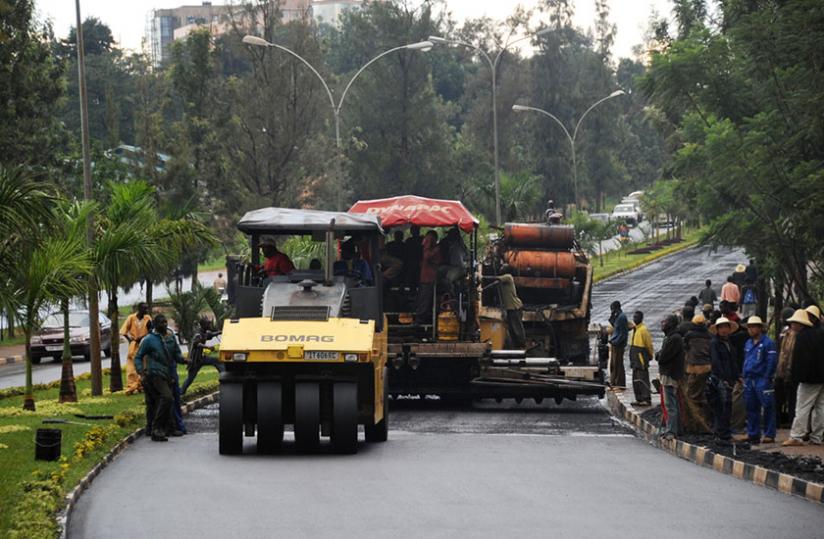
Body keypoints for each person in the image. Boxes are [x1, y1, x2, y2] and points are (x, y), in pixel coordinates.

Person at [135, 314, 186, 442]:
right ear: (155, 325)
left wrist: (187, 361)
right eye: (161, 323)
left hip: (168, 374)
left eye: (165, 322)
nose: (164, 324)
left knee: (164, 401)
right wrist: (141, 373)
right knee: (167, 397)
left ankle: (165, 428)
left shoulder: (171, 338)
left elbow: (177, 356)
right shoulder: (149, 340)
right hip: (154, 375)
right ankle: (156, 429)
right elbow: (138, 357)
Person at [783, 309, 824, 446]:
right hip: (821, 377)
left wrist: (795, 377)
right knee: (821, 407)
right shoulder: (821, 334)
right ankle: (817, 437)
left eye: (794, 322)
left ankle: (796, 436)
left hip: (809, 378)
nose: (792, 325)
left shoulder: (802, 337)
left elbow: (799, 361)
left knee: (802, 406)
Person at [734, 316, 777, 444]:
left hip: (762, 378)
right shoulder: (748, 343)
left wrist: (767, 377)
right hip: (749, 379)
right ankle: (753, 433)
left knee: (768, 406)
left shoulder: (768, 343)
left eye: (754, 327)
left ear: (760, 328)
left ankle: (769, 434)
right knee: (751, 407)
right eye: (749, 327)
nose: (751, 329)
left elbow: (771, 362)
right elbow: (746, 360)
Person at [707, 317, 739, 440]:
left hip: (729, 379)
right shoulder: (715, 343)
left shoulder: (729, 343)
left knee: (726, 406)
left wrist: (736, 376)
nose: (724, 330)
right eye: (721, 328)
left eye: (726, 327)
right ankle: (722, 433)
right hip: (719, 379)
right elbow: (716, 362)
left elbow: (732, 362)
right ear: (717, 330)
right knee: (722, 406)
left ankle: (724, 432)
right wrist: (723, 378)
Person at [683, 314, 712, 433]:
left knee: (691, 395)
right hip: (707, 368)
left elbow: (685, 347)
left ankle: (696, 422)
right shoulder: (709, 336)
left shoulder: (689, 336)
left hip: (694, 368)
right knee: (702, 394)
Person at [657, 314, 685, 440]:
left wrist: (659, 355)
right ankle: (673, 428)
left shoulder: (674, 338)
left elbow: (662, 358)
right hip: (668, 373)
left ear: (671, 324)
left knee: (671, 404)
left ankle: (671, 431)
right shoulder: (670, 337)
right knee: (671, 403)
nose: (662, 324)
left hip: (670, 374)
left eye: (665, 322)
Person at [181, 317, 224, 395]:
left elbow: (212, 334)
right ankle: (181, 392)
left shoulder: (205, 333)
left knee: (217, 361)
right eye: (208, 324)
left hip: (201, 359)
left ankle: (224, 378)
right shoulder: (198, 334)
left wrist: (221, 332)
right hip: (194, 361)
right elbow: (197, 344)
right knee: (190, 379)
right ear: (204, 325)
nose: (209, 325)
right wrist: (208, 347)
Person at [120, 302, 152, 395]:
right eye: (144, 309)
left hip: (144, 344)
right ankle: (131, 386)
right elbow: (123, 331)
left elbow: (150, 330)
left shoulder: (148, 318)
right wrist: (131, 340)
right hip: (134, 345)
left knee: (144, 364)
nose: (146, 310)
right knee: (132, 367)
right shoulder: (131, 318)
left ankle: (141, 385)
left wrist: (143, 338)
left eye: (147, 308)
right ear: (139, 309)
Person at [775, 307, 798, 427]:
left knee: (792, 397)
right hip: (782, 370)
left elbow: (789, 354)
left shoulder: (794, 334)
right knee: (781, 395)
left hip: (789, 370)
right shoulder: (785, 332)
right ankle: (780, 418)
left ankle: (791, 419)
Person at [494, 269, 525, 349]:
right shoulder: (504, 281)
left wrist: (482, 277)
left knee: (517, 328)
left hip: (515, 307)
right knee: (512, 329)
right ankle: (516, 346)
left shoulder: (508, 277)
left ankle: (521, 345)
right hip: (510, 308)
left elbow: (498, 279)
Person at [415, 230, 441, 325]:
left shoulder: (435, 250)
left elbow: (426, 256)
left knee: (425, 300)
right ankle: (419, 319)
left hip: (429, 278)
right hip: (424, 277)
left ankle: (420, 320)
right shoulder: (430, 249)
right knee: (421, 299)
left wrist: (427, 244)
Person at [628, 311, 653, 406]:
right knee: (635, 379)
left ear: (641, 318)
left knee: (643, 378)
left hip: (641, 358)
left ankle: (646, 398)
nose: (635, 319)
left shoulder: (643, 330)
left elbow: (649, 345)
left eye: (637, 317)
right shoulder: (635, 329)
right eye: (634, 317)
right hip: (634, 358)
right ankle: (638, 398)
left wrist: (650, 355)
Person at [608, 301, 628, 390]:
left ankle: (619, 383)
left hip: (618, 345)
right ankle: (614, 382)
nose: (611, 310)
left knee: (618, 364)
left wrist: (616, 342)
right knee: (613, 364)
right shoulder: (617, 316)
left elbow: (623, 334)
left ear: (616, 308)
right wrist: (612, 315)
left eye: (612, 308)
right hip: (615, 343)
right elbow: (613, 324)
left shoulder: (622, 317)